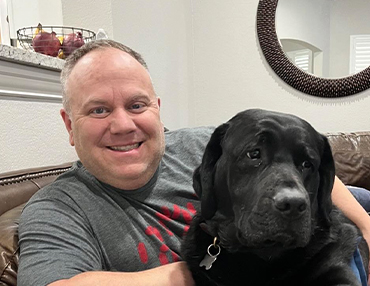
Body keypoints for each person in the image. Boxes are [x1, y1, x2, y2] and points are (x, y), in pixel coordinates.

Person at [17, 39, 370, 286]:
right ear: (69, 125)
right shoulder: (58, 209)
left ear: (157, 107)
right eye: (99, 110)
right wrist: (208, 271)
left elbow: (305, 165)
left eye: (137, 105)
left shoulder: (202, 141)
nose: (123, 124)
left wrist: (366, 226)